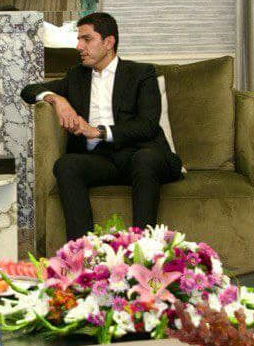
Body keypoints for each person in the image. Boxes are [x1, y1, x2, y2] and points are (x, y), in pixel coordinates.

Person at [20, 12, 183, 240]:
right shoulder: (76, 76)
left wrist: (97, 131)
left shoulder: (141, 74)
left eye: (86, 39)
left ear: (108, 42)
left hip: (139, 155)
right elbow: (28, 90)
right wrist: (56, 99)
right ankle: (82, 252)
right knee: (66, 165)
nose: (79, 46)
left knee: (145, 159)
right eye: (79, 39)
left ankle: (144, 249)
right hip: (101, 161)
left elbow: (147, 125)